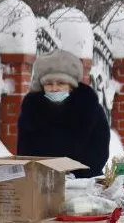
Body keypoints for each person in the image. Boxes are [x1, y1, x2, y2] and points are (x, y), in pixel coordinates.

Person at [16, 50, 109, 178]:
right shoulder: (31, 111)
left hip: (82, 182)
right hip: (42, 183)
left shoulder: (89, 108)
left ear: (71, 86)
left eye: (61, 83)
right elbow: (24, 151)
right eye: (49, 84)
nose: (54, 88)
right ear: (42, 87)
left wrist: (77, 176)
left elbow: (100, 150)